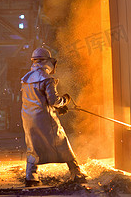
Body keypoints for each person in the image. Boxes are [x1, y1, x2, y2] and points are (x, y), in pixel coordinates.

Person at [21, 47, 86, 186]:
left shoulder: (26, 78)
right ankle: (76, 172)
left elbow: (37, 99)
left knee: (33, 145)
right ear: (47, 61)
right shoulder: (47, 79)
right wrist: (64, 101)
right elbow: (53, 101)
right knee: (62, 141)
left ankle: (30, 176)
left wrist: (58, 107)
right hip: (44, 118)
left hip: (28, 118)